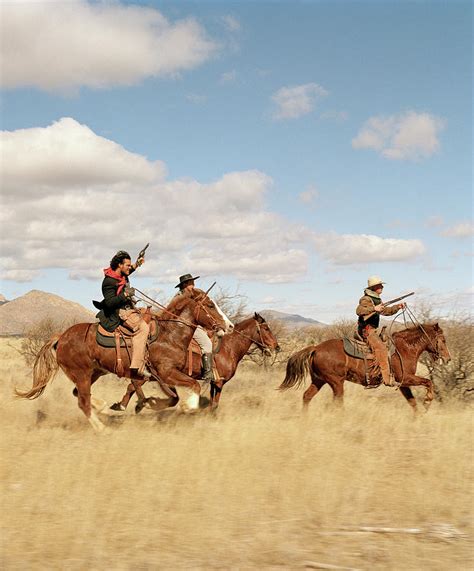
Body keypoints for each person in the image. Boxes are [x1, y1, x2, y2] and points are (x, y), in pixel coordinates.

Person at [94, 250, 151, 378]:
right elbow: (109, 303)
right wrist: (124, 294)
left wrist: (137, 263)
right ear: (120, 265)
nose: (129, 268)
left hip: (127, 307)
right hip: (118, 312)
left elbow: (129, 271)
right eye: (127, 265)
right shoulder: (108, 282)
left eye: (130, 265)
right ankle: (138, 367)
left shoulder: (121, 275)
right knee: (143, 328)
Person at [174, 273, 232, 382]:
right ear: (185, 284)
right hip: (186, 326)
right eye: (191, 283)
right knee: (207, 344)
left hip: (193, 325)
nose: (193, 285)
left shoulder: (192, 295)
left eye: (193, 283)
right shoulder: (181, 297)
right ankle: (207, 373)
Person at [356, 275, 405, 386]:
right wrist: (374, 308)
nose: (382, 286)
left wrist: (397, 307)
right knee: (382, 348)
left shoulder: (376, 299)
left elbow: (386, 311)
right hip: (366, 330)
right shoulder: (366, 299)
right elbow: (359, 310)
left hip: (373, 330)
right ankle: (387, 379)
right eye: (379, 285)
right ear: (374, 287)